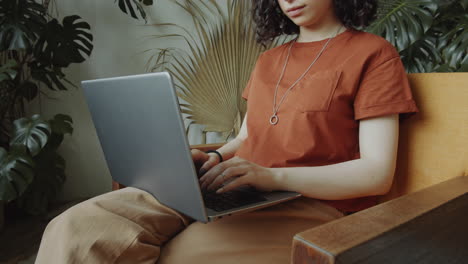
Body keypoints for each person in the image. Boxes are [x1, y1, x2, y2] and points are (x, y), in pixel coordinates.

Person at [35, 0, 418, 263]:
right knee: (75, 227)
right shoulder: (270, 60)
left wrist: (271, 176)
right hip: (235, 186)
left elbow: (377, 173)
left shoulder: (374, 53)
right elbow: (248, 137)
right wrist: (214, 157)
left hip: (310, 204)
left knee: (180, 255)